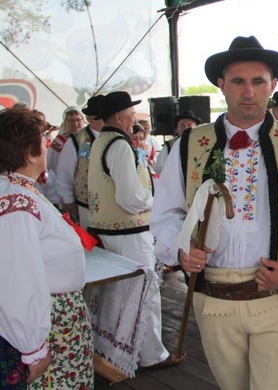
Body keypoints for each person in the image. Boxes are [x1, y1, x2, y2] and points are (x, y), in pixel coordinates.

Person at [151, 35, 278, 389]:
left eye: (258, 81)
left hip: (276, 297)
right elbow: (165, 214)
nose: (249, 91)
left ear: (273, 85)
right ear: (221, 85)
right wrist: (179, 249)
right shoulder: (190, 144)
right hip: (213, 299)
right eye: (238, 81)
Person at [87, 90, 184, 370]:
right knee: (145, 294)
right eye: (131, 114)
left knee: (121, 295)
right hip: (128, 233)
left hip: (109, 231)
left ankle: (118, 350)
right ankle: (152, 355)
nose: (134, 119)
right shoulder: (119, 145)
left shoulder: (101, 142)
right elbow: (130, 199)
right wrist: (160, 201)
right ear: (119, 116)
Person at [0, 107, 94, 389]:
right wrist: (33, 348)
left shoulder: (19, 191)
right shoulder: (17, 202)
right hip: (49, 321)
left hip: (53, 317)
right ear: (29, 153)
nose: (47, 147)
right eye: (43, 141)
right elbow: (18, 278)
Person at [55, 95, 104, 229]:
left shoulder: (116, 137)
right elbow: (64, 173)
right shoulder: (76, 141)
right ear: (89, 119)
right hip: (86, 206)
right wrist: (68, 200)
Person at [153, 110, 201, 175]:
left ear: (196, 127)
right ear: (177, 128)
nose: (186, 128)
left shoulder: (202, 144)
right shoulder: (170, 145)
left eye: (189, 125)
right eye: (182, 125)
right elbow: (159, 168)